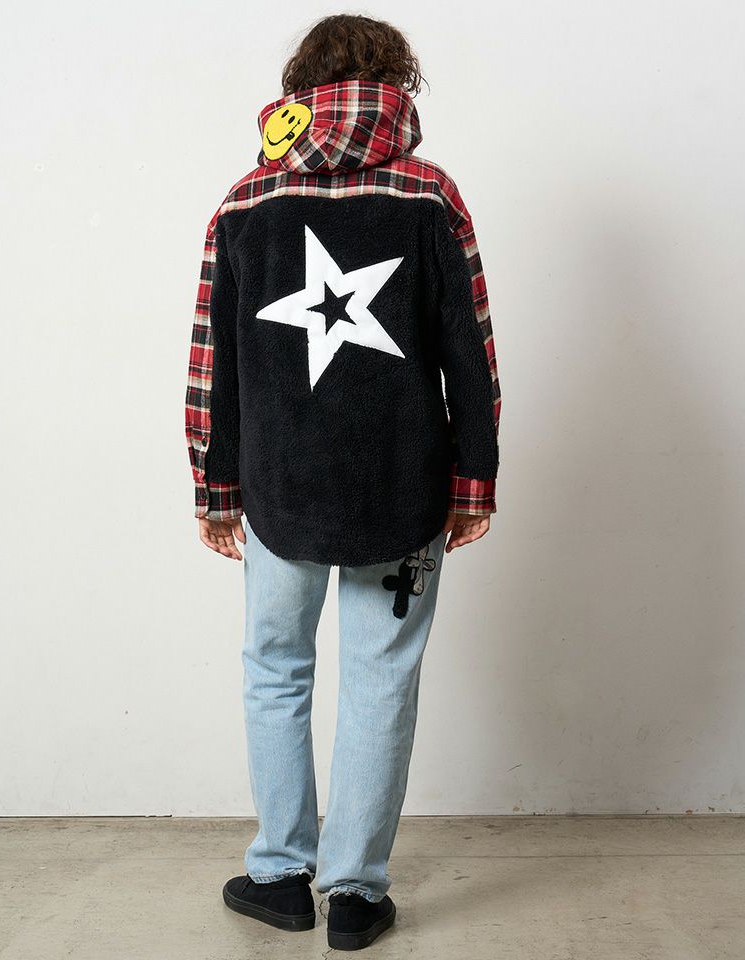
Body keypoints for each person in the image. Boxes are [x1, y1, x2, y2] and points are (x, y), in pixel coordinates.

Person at [185, 13, 501, 951]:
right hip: (405, 486)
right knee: (382, 677)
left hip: (278, 487)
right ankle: (357, 895)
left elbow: (212, 362)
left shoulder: (246, 199)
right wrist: (474, 478)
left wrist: (216, 485)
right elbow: (471, 350)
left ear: (301, 89)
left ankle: (281, 875)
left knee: (274, 669)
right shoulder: (431, 193)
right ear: (397, 85)